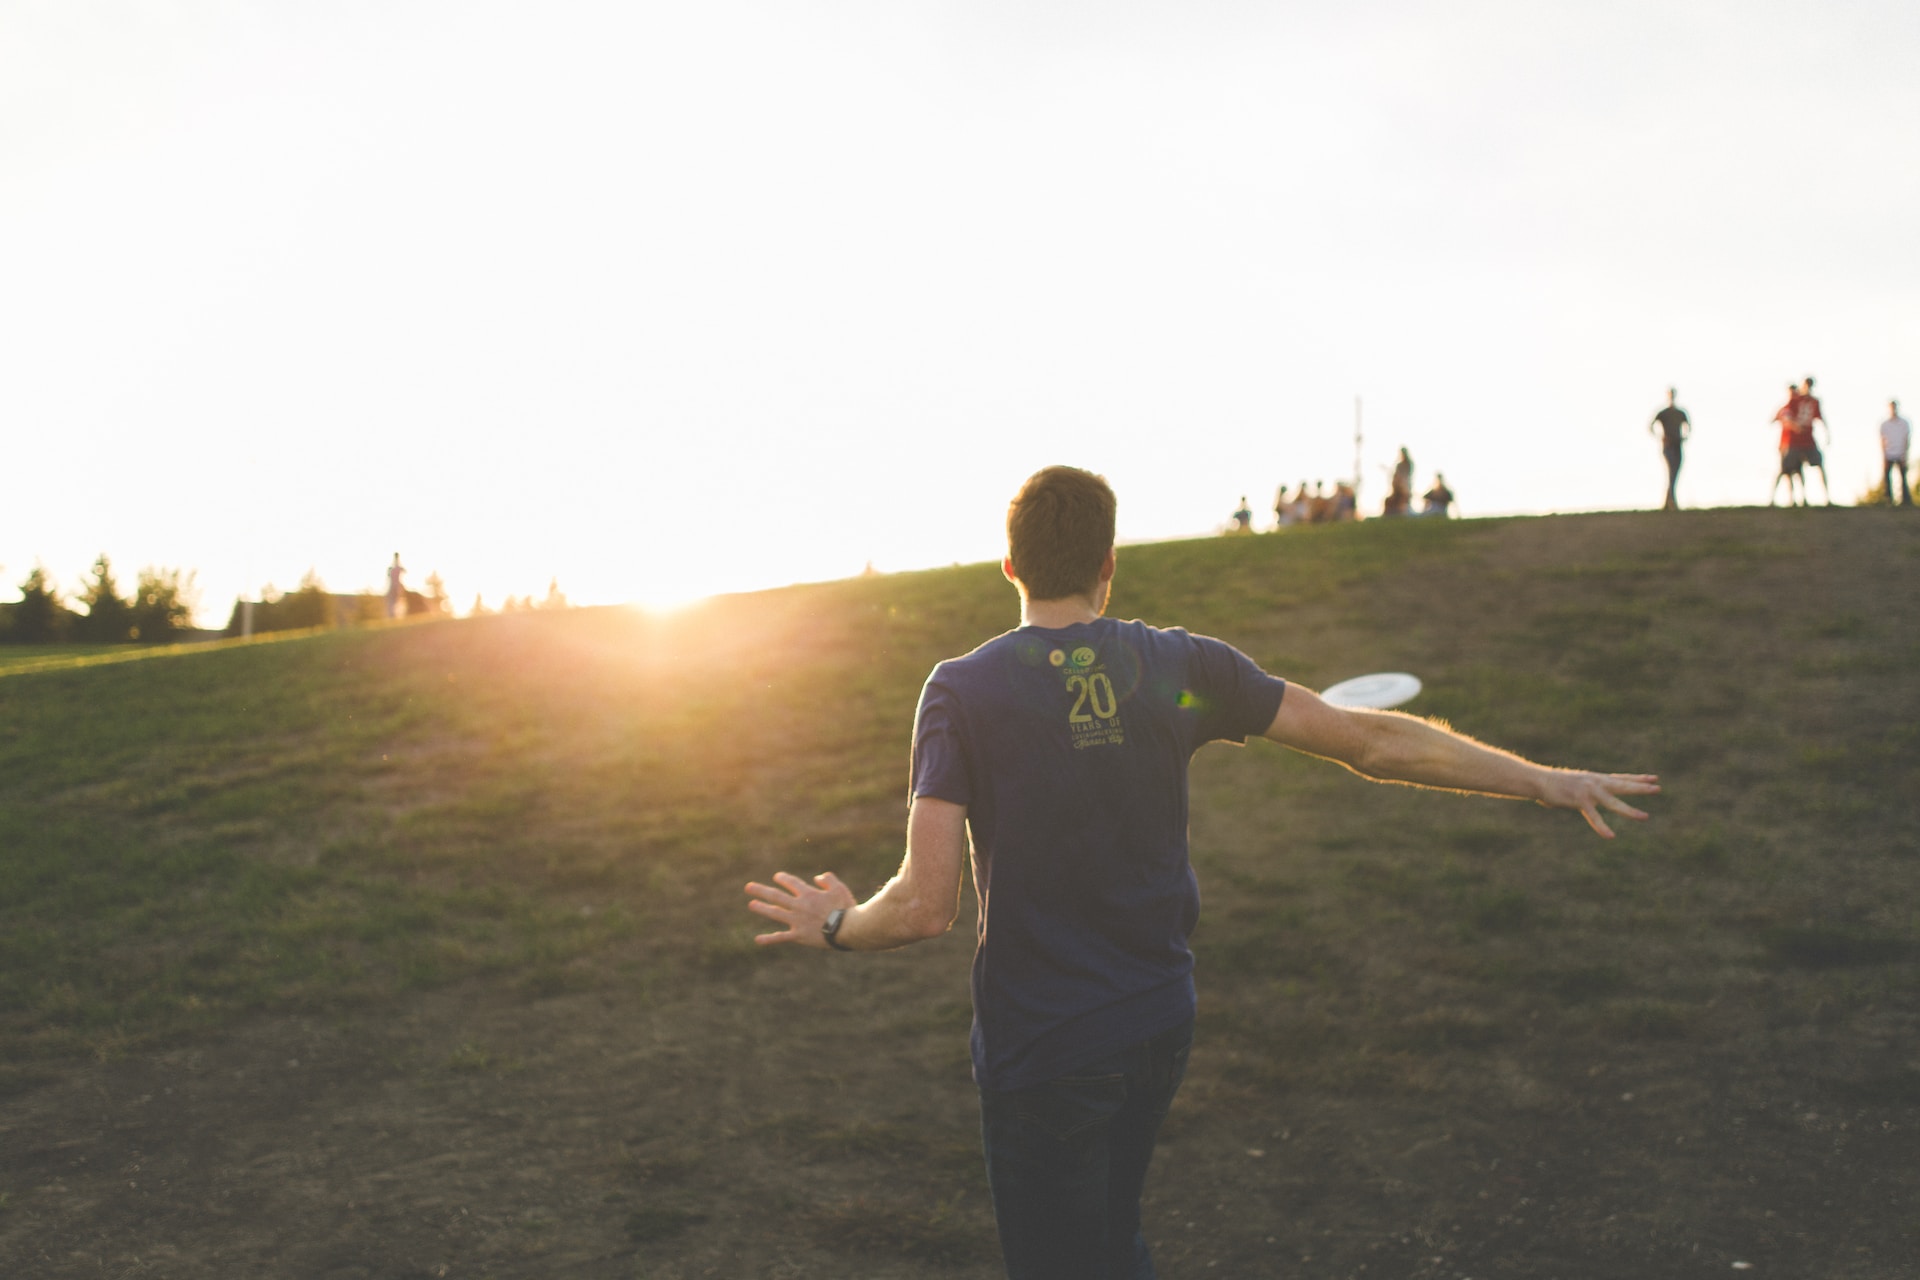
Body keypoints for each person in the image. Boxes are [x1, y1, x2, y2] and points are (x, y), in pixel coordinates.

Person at [743, 466, 1659, 1280]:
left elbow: (922, 906)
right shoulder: (1177, 665)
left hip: (1048, 1051)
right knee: (1108, 1237)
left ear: (1011, 566)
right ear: (1109, 565)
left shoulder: (961, 690)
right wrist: (1544, 778)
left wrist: (836, 922)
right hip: (1156, 1024)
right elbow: (1369, 740)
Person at [1650, 388, 1690, 510]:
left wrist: (1684, 437)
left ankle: (1668, 502)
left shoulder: (1680, 413)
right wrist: (1661, 437)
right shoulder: (1663, 413)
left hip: (1677, 445)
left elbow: (1688, 426)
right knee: (1671, 472)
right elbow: (1651, 426)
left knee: (1674, 473)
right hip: (1668, 446)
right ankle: (1672, 502)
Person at [1880, 400, 1912, 506]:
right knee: (1887, 477)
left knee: (1903, 477)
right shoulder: (1885, 424)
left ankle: (1905, 499)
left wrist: (1905, 454)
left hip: (1900, 453)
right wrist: (1884, 455)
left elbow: (1906, 439)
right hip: (1889, 453)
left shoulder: (1904, 423)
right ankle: (1888, 499)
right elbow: (1882, 440)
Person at [385, 553, 406, 620]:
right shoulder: (393, 568)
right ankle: (393, 615)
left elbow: (404, 571)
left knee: (396, 601)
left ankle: (397, 615)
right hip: (394, 586)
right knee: (393, 601)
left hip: (396, 587)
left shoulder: (394, 567)